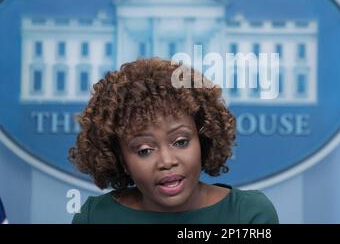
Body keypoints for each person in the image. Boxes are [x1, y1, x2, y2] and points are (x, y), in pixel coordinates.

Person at [69, 58, 279, 224]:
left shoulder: (248, 214)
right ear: (120, 159)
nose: (167, 161)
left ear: (202, 139)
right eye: (144, 150)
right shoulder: (94, 217)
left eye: (180, 142)